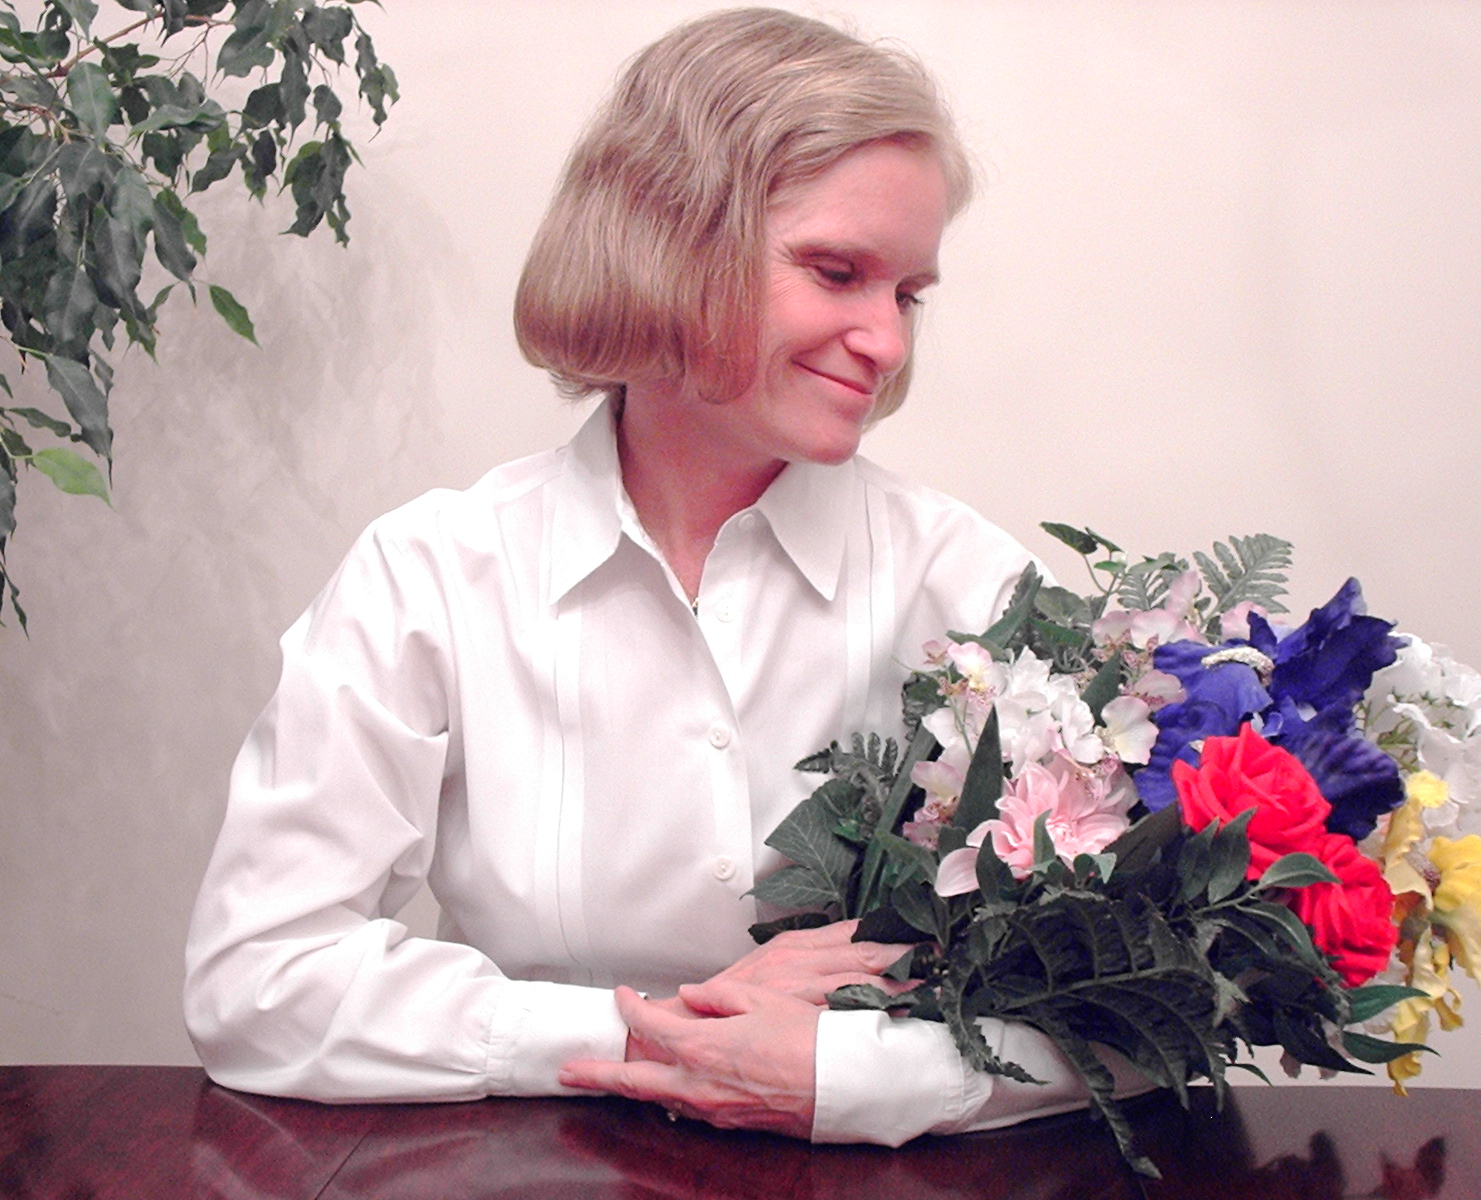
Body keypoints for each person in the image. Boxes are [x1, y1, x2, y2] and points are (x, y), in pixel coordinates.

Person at [184, 7, 1144, 1147]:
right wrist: (649, 1039)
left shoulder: (972, 589)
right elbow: (257, 981)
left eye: (907, 294)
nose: (887, 343)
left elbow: (1152, 1012)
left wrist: (849, 1076)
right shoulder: (431, 575)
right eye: (837, 272)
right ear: (668, 240)